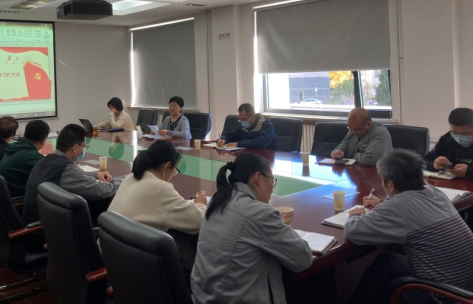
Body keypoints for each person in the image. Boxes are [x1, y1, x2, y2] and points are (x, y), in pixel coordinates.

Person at [344, 149, 473, 304]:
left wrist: (355, 214)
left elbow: (353, 231)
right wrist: (383, 205)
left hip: (448, 297)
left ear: (390, 185)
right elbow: (412, 212)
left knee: (388, 281)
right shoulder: (435, 192)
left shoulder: (398, 206)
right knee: (387, 261)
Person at [191, 153, 313, 304]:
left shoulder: (217, 200)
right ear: (258, 178)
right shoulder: (260, 213)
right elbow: (304, 259)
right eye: (272, 181)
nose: (272, 188)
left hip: (201, 298)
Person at [108, 140, 207, 269]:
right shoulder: (161, 188)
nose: (173, 175)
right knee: (183, 240)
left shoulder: (130, 177)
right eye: (175, 170)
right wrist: (200, 204)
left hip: (111, 254)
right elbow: (198, 222)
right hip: (128, 265)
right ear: (167, 166)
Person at [425, 107, 473, 243]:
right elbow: (424, 160)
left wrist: (470, 171)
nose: (459, 137)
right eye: (455, 132)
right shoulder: (447, 139)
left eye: (465, 134)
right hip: (455, 196)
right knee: (443, 223)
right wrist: (434, 165)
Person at [22, 123, 122, 225]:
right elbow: (99, 190)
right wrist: (123, 182)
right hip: (47, 228)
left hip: (38, 220)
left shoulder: (46, 160)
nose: (84, 149)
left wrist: (96, 174)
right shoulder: (67, 170)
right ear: (75, 148)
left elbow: (75, 176)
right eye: (84, 146)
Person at [0, 119, 50, 197]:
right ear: (43, 141)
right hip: (19, 200)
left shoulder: (14, 148)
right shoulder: (31, 157)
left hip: (7, 197)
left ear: (25, 134)